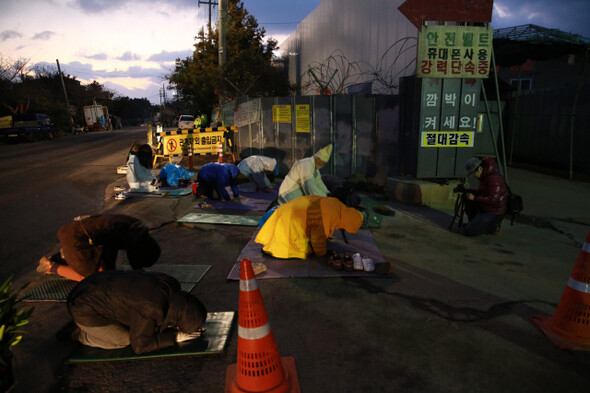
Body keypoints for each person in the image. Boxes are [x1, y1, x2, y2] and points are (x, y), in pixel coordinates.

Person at [67, 270, 207, 355]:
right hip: (82, 307)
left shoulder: (170, 284)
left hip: (92, 284)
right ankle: (79, 333)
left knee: (138, 325)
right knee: (124, 339)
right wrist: (175, 337)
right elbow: (140, 346)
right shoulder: (152, 308)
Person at [37, 214, 161, 281]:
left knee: (109, 273)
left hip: (93, 237)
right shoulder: (134, 237)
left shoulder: (136, 228)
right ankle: (50, 266)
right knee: (95, 279)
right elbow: (135, 262)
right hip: (76, 238)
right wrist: (140, 273)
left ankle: (66, 255)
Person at [255, 195, 364, 259]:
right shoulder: (329, 217)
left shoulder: (336, 204)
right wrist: (323, 253)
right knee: (305, 250)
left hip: (285, 212)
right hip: (288, 224)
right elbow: (317, 238)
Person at [461, 156, 509, 236]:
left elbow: (493, 201)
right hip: (486, 207)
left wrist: (475, 198)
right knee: (467, 198)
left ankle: (491, 227)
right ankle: (475, 223)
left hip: (494, 212)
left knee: (468, 231)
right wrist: (469, 191)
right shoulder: (485, 176)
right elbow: (483, 192)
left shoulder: (494, 179)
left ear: (479, 169)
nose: (474, 176)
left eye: (474, 173)